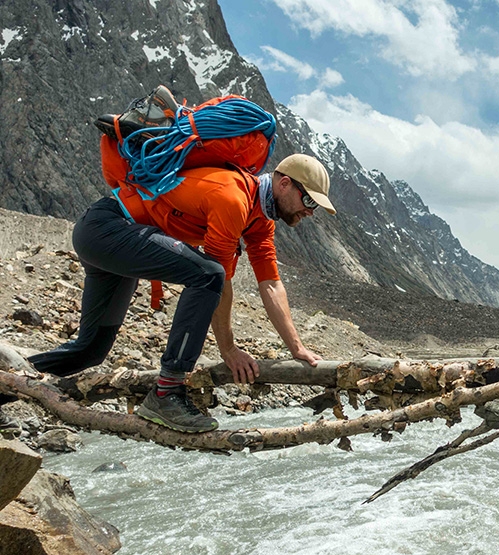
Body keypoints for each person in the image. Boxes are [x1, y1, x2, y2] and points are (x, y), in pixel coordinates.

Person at [28, 151, 336, 433]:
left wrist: (297, 348)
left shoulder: (261, 218)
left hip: (112, 239)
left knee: (91, 350)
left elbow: (270, 283)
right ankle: (167, 392)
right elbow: (217, 278)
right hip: (107, 229)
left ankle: (18, 377)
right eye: (309, 201)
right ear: (284, 184)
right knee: (207, 274)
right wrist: (228, 350)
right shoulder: (233, 198)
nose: (311, 212)